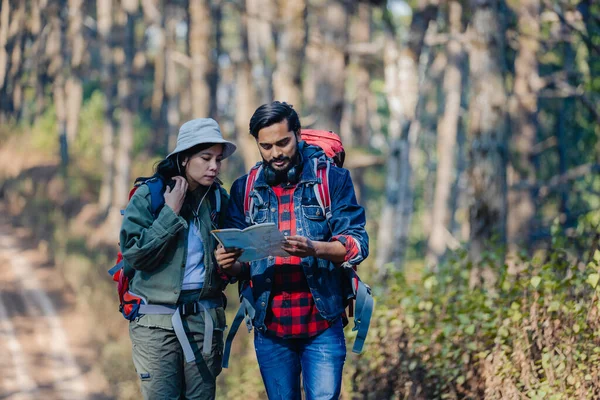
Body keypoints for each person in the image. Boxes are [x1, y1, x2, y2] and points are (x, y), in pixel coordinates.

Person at [215, 101, 369, 399]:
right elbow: (240, 267)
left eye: (283, 142)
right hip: (270, 327)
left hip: (322, 323)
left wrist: (315, 248)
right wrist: (226, 262)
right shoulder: (244, 189)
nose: (276, 153)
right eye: (267, 146)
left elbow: (357, 245)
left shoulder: (331, 180)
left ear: (298, 134)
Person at [119, 118, 237, 400]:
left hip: (204, 320)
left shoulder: (219, 200)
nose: (214, 166)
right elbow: (134, 255)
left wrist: (230, 261)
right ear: (184, 159)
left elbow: (234, 262)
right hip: (155, 324)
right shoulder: (151, 196)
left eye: (218, 159)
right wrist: (170, 213)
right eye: (205, 157)